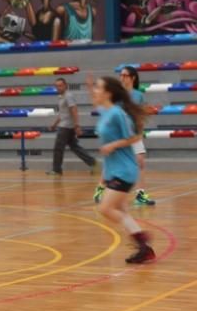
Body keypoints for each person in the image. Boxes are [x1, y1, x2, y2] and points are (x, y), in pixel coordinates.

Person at [89, 74, 155, 263]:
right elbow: (96, 103)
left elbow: (135, 136)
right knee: (122, 211)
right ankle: (145, 250)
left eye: (98, 87)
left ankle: (141, 238)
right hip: (112, 169)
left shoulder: (118, 113)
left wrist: (114, 145)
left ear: (108, 92)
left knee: (105, 208)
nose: (95, 91)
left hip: (125, 170)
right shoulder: (105, 112)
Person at [94, 66, 156, 206]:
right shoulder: (117, 95)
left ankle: (140, 194)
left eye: (125, 75)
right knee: (113, 164)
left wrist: (140, 129)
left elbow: (139, 115)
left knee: (140, 162)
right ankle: (100, 188)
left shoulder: (138, 95)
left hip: (133, 133)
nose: (122, 77)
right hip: (119, 134)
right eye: (121, 75)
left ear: (133, 78)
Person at [47, 77, 97, 176]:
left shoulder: (68, 96)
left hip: (66, 127)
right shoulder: (61, 97)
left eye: (60, 85)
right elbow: (62, 114)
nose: (58, 87)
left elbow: (74, 110)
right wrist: (54, 125)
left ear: (65, 85)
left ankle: (56, 170)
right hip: (65, 126)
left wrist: (77, 125)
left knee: (58, 148)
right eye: (57, 86)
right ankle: (93, 163)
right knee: (75, 147)